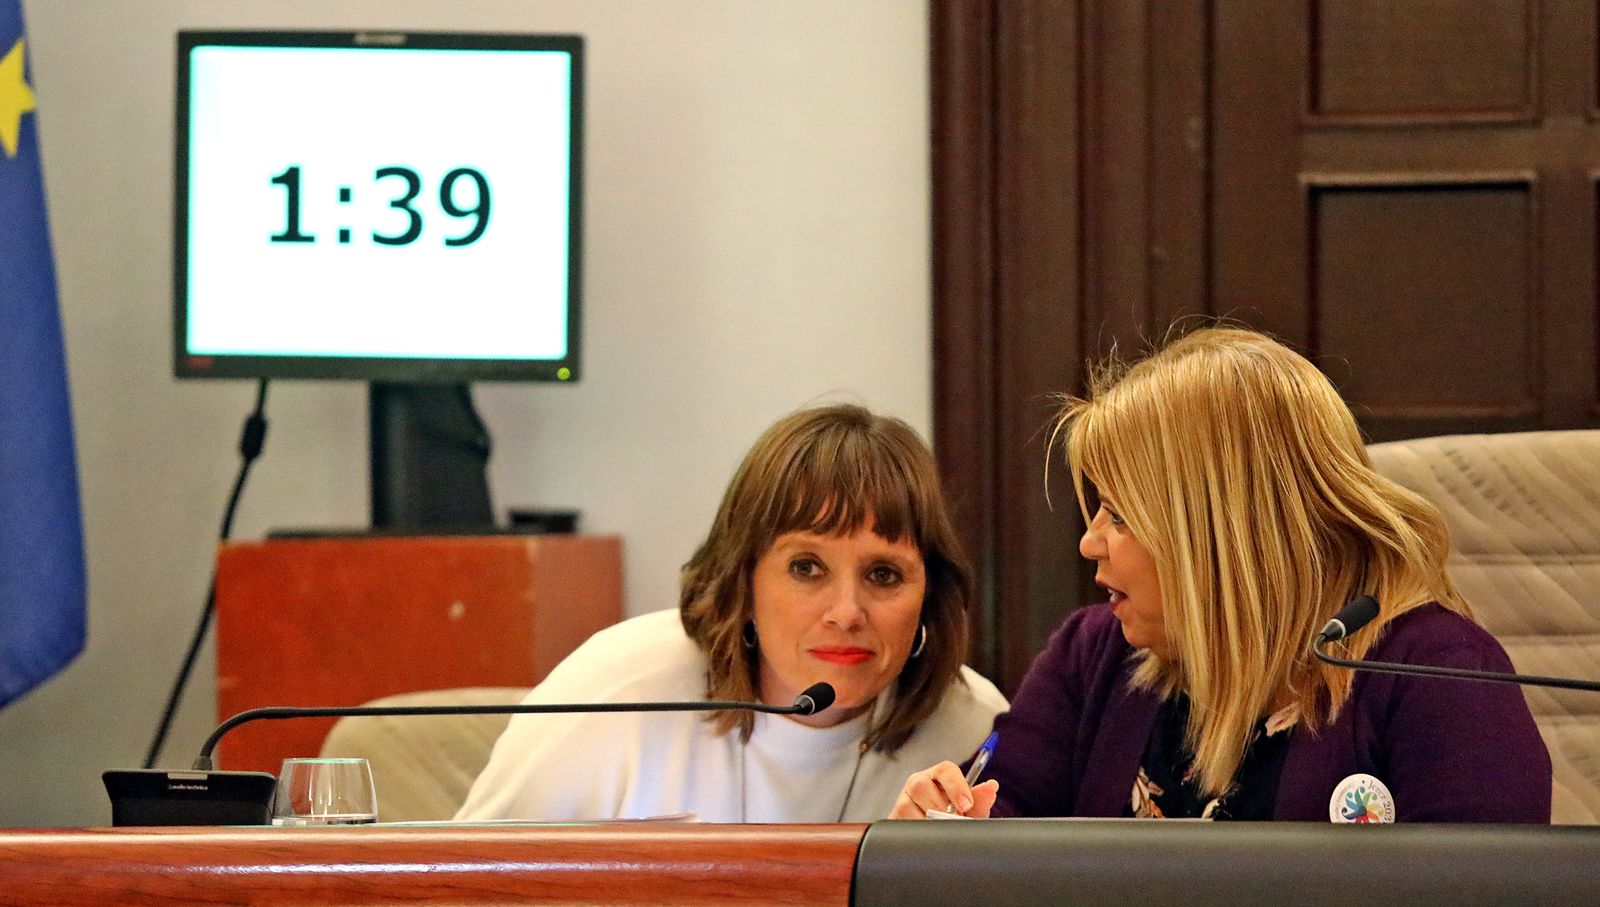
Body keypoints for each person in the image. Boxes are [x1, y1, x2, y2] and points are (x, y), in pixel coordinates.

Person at [891, 326, 1550, 823]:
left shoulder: (1439, 677)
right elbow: (999, 838)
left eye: (1119, 514)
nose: (1090, 543)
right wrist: (945, 829)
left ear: (1219, 530)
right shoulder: (1092, 657)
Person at [458, 403, 1007, 823]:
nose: (846, 612)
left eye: (883, 575)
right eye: (807, 568)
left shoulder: (975, 728)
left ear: (929, 594)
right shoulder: (617, 691)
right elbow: (450, 888)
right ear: (742, 579)